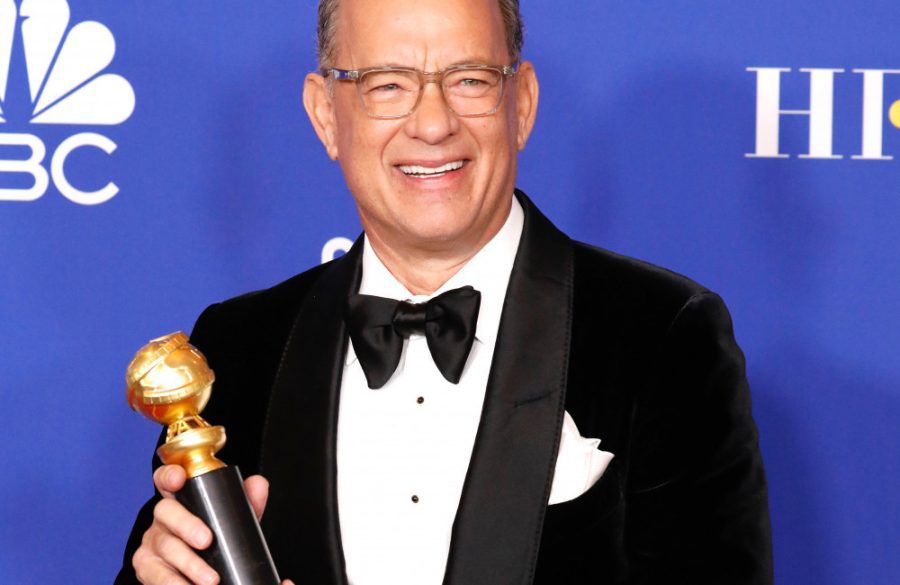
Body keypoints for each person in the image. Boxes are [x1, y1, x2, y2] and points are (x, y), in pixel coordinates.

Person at [116, 0, 773, 583]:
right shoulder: (238, 345)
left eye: (469, 80)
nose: (433, 124)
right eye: (387, 84)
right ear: (324, 114)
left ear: (521, 103)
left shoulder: (662, 334)